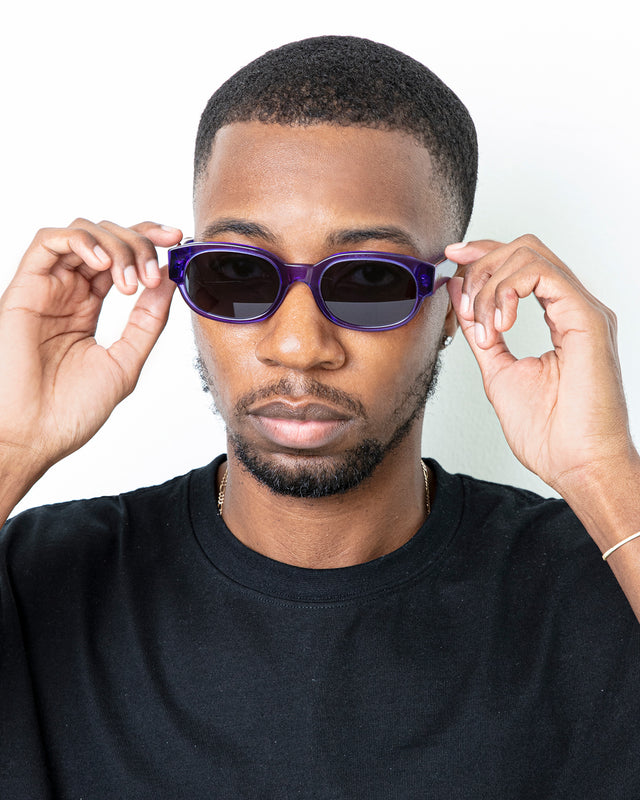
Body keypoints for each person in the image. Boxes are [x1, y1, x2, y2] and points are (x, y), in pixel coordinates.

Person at [1, 35, 639, 799]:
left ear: (452, 306)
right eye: (237, 273)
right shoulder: (33, 575)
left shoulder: (606, 576)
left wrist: (603, 472)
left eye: (369, 279)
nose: (298, 346)